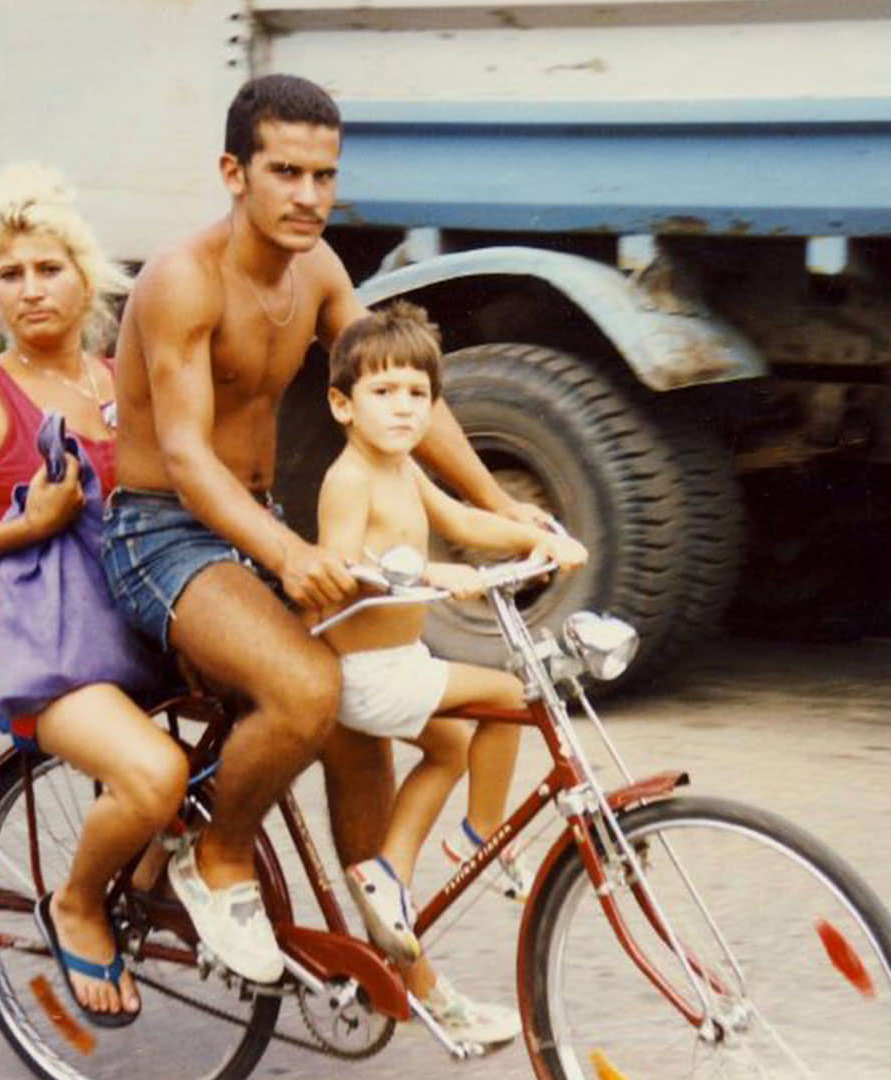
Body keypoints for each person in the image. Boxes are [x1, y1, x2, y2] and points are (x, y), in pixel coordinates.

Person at [101, 73, 550, 1008]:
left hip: (254, 517)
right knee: (309, 687)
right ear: (235, 172)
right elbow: (183, 456)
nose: (309, 196)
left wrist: (498, 508)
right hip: (160, 533)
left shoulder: (321, 274)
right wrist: (287, 553)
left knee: (362, 715)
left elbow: (407, 401)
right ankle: (215, 857)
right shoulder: (184, 281)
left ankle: (393, 955)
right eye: (286, 172)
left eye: (325, 175)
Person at [0, 163, 185, 1026]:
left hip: (115, 628)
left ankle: (149, 875)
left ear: (85, 275)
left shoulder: (110, 380)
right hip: (19, 644)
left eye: (47, 268)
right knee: (155, 771)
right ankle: (79, 905)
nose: (30, 290)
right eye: (7, 274)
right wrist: (24, 526)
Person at [312, 302, 589, 1041]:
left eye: (417, 395)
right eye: (383, 393)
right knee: (503, 693)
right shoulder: (351, 479)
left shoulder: (402, 469)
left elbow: (467, 523)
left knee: (454, 745)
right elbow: (345, 568)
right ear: (343, 405)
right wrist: (438, 576)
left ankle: (388, 876)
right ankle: (480, 832)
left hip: (401, 660)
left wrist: (535, 533)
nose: (403, 408)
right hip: (365, 667)